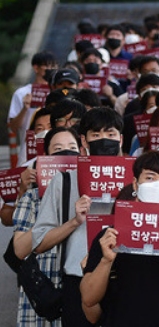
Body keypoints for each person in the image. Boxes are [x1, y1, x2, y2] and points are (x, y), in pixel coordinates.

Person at [32, 107, 124, 327]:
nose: (104, 140)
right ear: (84, 141)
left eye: (110, 134)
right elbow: (39, 243)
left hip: (124, 281)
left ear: (121, 139)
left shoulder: (136, 180)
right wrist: (74, 221)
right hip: (77, 280)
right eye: (96, 135)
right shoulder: (63, 182)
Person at [80, 151, 159, 326]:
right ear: (136, 184)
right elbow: (89, 299)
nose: (158, 186)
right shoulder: (110, 236)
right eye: (150, 178)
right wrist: (106, 260)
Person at [12, 127, 81, 326]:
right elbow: (19, 250)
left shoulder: (88, 197)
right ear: (46, 157)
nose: (66, 153)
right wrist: (51, 208)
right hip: (44, 287)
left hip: (75, 287)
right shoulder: (32, 198)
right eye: (58, 149)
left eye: (72, 147)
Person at [8, 51, 57, 165]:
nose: (52, 69)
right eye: (48, 66)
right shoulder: (21, 94)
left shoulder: (58, 92)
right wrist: (25, 108)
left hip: (54, 150)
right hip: (28, 151)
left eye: (54, 66)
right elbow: (13, 128)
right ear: (36, 68)